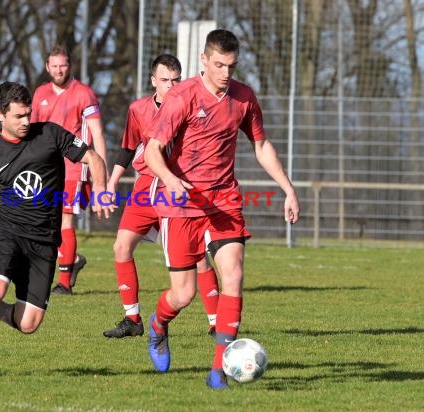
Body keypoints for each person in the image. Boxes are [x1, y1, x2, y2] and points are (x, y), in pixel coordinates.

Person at [143, 29, 300, 389]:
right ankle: (157, 324)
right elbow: (153, 150)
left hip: (224, 200)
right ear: (204, 60)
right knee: (183, 294)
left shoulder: (243, 98)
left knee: (233, 276)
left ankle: (218, 371)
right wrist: (169, 179)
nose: (225, 72)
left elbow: (260, 145)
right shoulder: (182, 97)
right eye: (218, 64)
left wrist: (288, 189)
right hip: (182, 203)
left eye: (231, 65)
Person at [0, 82, 111, 380]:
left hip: (44, 241)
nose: (26, 121)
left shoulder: (50, 134)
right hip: (8, 235)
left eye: (28, 114)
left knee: (29, 324)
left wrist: (101, 192)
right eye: (19, 116)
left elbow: (93, 158)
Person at [103, 54, 220, 339]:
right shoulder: (138, 109)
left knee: (199, 258)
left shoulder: (191, 106)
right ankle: (132, 319)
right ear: (153, 80)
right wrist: (111, 184)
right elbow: (128, 148)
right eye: (165, 80)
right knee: (121, 247)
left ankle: (217, 322)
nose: (171, 85)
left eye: (176, 79)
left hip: (178, 188)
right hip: (146, 186)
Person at [31, 44, 108, 295]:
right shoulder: (40, 93)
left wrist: (102, 178)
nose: (58, 70)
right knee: (45, 221)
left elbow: (97, 134)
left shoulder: (84, 94)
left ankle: (64, 284)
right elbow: (31, 132)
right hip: (45, 168)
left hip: (74, 167)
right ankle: (72, 260)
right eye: (53, 65)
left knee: (65, 217)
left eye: (62, 65)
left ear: (70, 66)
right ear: (47, 67)